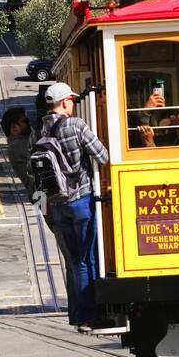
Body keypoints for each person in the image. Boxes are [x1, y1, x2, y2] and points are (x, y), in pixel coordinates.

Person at [36, 82, 109, 329]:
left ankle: (78, 315)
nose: (74, 104)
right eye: (73, 100)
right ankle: (91, 316)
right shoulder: (76, 125)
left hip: (57, 206)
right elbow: (103, 156)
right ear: (66, 101)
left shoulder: (39, 132)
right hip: (81, 200)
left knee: (74, 262)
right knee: (87, 259)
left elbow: (34, 175)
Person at [0, 106, 34, 195]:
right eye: (25, 121)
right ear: (14, 128)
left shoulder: (21, 143)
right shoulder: (18, 145)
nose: (29, 124)